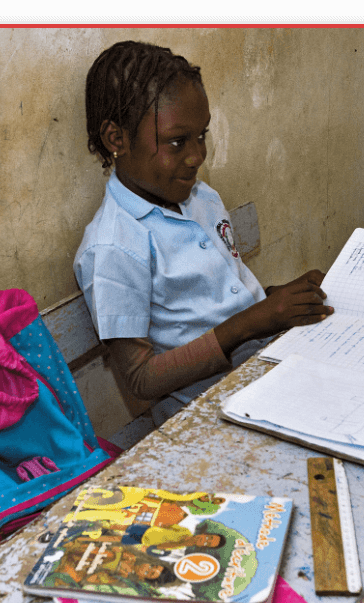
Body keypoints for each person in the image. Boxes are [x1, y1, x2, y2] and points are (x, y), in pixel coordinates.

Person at [75, 40, 333, 424]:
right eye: (178, 141)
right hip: (204, 413)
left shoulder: (199, 196)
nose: (197, 156)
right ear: (117, 139)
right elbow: (140, 379)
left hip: (263, 371)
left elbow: (218, 296)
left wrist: (278, 302)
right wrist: (250, 323)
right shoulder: (114, 245)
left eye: (202, 135)